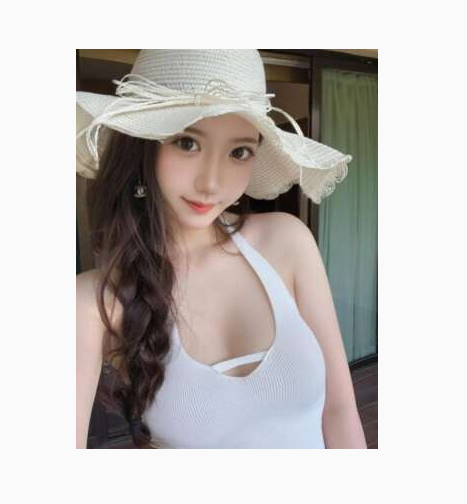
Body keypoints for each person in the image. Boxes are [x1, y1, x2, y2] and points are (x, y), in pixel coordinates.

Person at [76, 49, 366, 449]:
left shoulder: (287, 242)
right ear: (141, 146)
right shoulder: (96, 303)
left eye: (239, 151)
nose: (212, 183)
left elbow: (340, 411)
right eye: (187, 142)